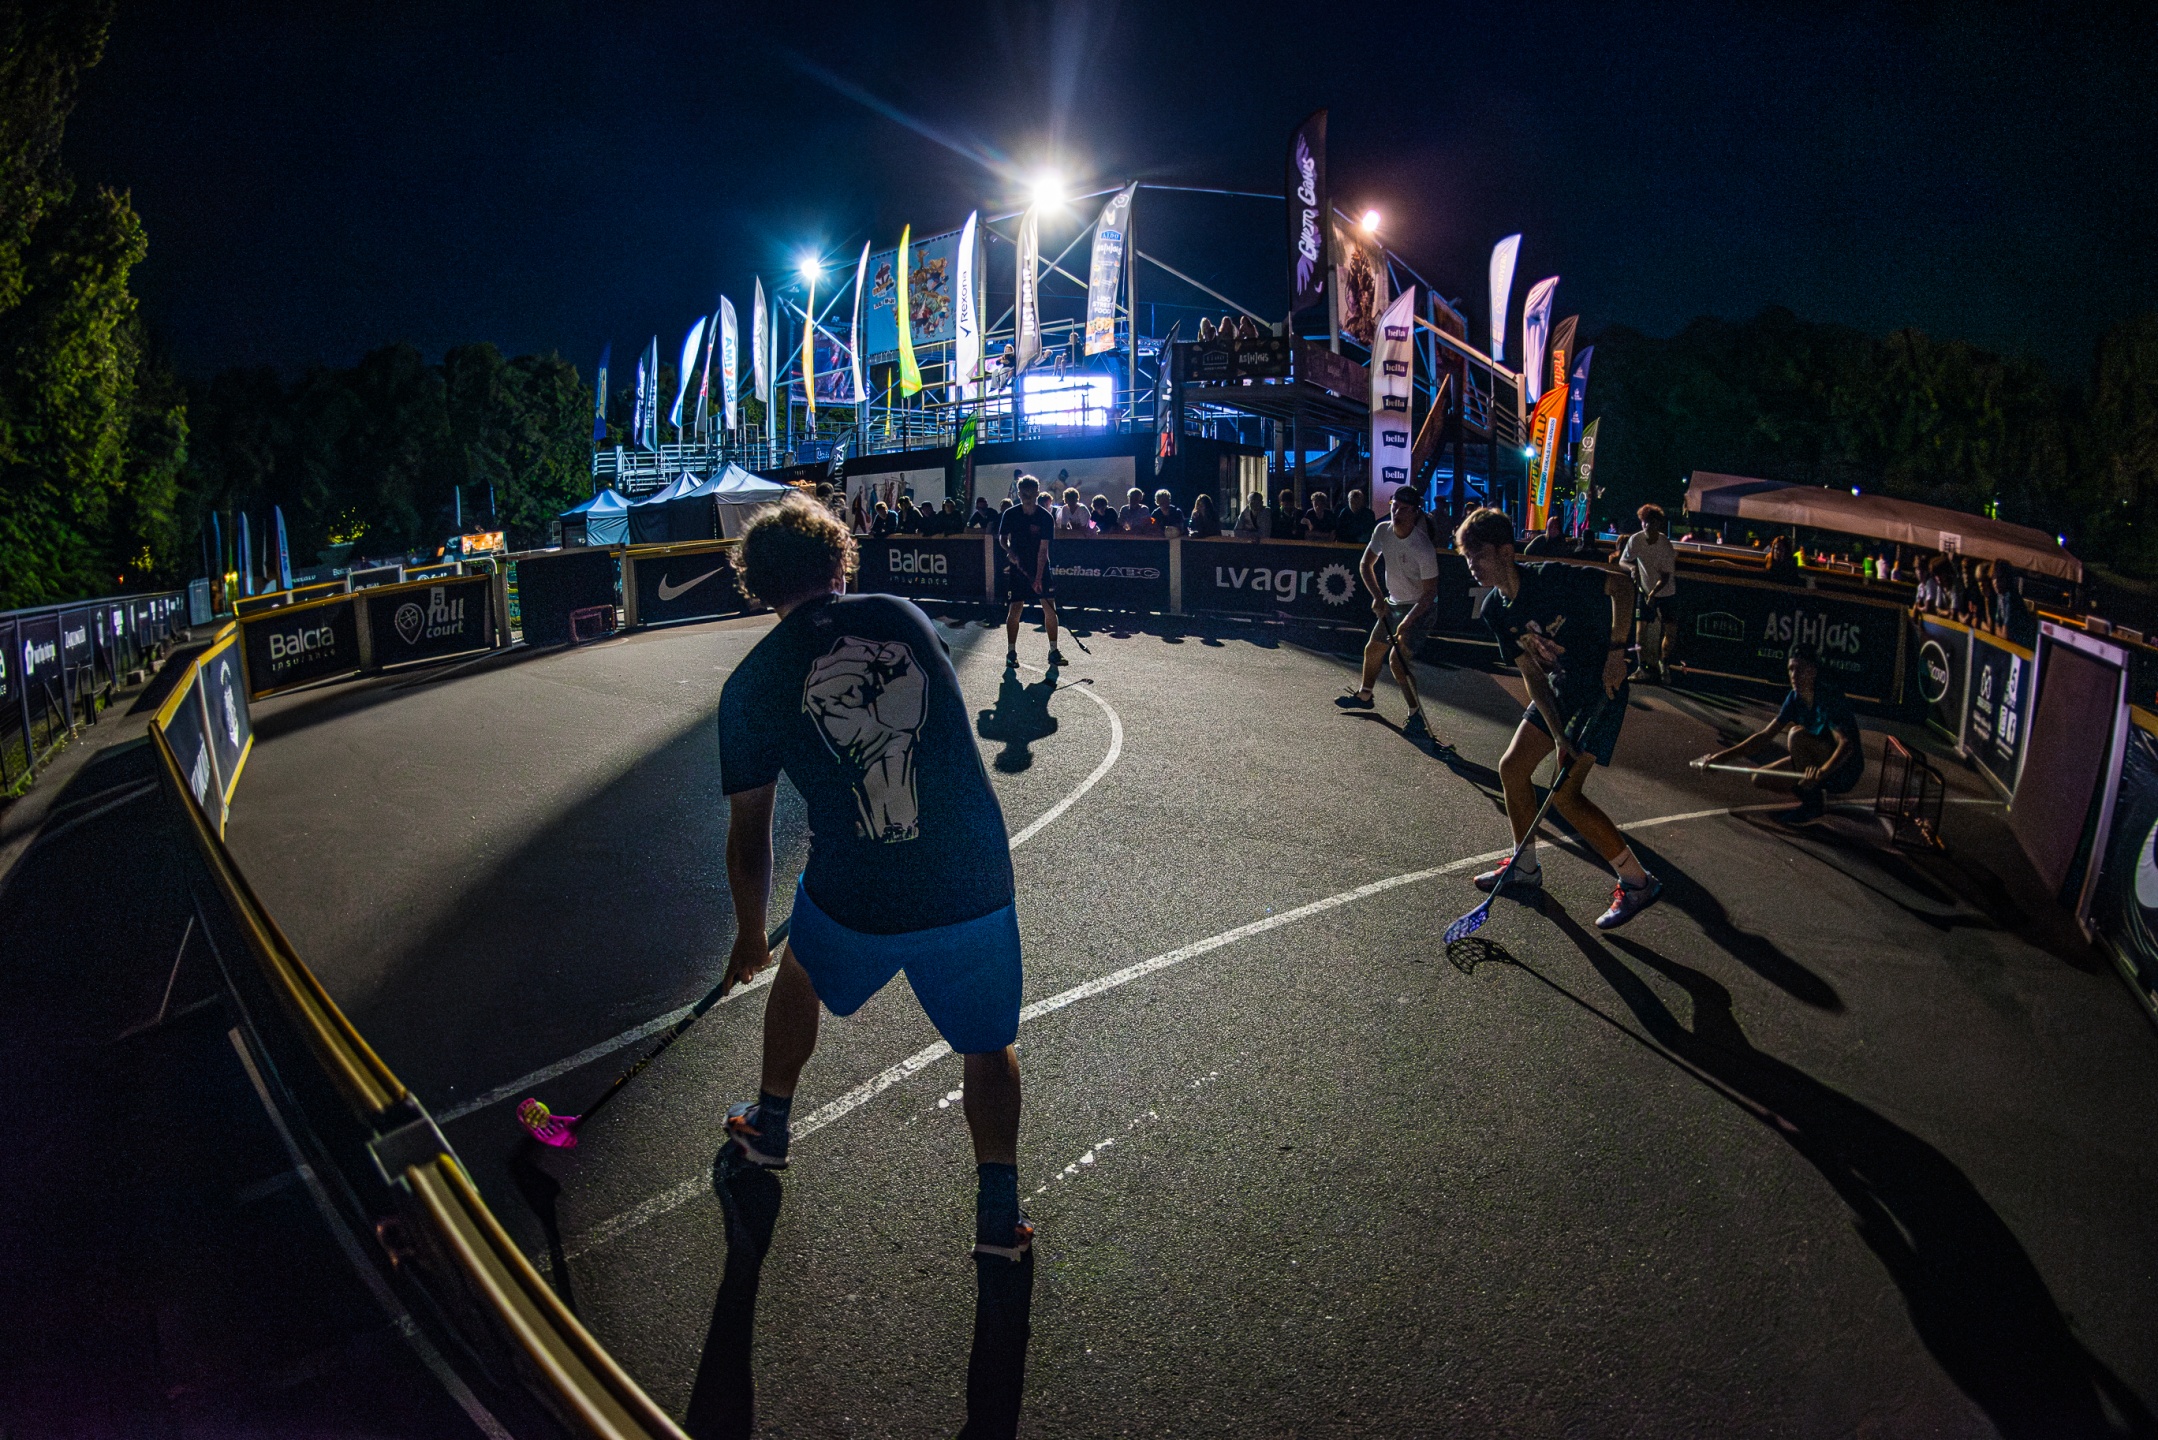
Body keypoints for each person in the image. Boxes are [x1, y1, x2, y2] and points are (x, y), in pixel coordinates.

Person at [716, 495, 1032, 1269]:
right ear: (837, 560)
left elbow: (750, 841)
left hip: (857, 891)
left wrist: (751, 935)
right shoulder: (900, 616)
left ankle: (771, 1124)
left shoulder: (750, 685)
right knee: (989, 1045)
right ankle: (998, 1215)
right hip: (972, 874)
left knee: (799, 970)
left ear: (758, 583)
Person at [1456, 506, 1660, 930]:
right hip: (1562, 688)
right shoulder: (1496, 609)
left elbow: (1623, 586)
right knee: (1513, 767)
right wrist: (1557, 735)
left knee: (1566, 796)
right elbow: (1533, 675)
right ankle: (1525, 866)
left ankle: (1637, 881)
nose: (1472, 564)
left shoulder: (1551, 578)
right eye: (1467, 556)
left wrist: (1616, 653)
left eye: (1479, 555)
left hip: (1601, 685)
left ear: (1506, 551)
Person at [1335, 488, 1454, 749]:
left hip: (1420, 609)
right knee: (1373, 649)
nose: (1396, 512)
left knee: (1396, 661)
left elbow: (1430, 592)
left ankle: (1415, 715)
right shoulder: (1382, 531)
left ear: (1415, 512)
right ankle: (1365, 695)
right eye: (1394, 505)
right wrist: (1378, 597)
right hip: (1393, 603)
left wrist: (1409, 620)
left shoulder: (1422, 546)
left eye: (1403, 508)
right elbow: (1365, 565)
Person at [1696, 648, 1864, 826]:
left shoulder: (1829, 698)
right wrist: (1721, 758)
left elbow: (1846, 745)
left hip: (1845, 770)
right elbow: (1764, 736)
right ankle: (1816, 796)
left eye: (1800, 669)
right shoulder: (1794, 699)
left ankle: (1812, 802)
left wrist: (1821, 773)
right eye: (1791, 669)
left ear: (1813, 671)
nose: (1794, 675)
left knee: (1796, 735)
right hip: (1816, 763)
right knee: (1760, 778)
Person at [997, 475, 1065, 667]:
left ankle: (1053, 650)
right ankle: (1011, 652)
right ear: (1019, 493)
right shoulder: (1010, 514)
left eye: (1030, 493)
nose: (1026, 496)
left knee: (1049, 609)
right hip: (1018, 568)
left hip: (1039, 567)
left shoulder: (1045, 517)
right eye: (1023, 493)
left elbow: (1043, 550)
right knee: (1015, 609)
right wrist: (1009, 551)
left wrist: (1038, 578)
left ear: (1037, 493)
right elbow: (1002, 539)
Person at [1619, 504, 1680, 682]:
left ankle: (1664, 664)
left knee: (1671, 631)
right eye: (1644, 522)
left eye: (1651, 522)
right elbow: (1623, 561)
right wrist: (1632, 568)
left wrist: (1653, 595)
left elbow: (1666, 577)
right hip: (1644, 590)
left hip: (1666, 592)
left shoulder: (1665, 545)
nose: (1647, 526)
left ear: (1658, 524)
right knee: (1640, 632)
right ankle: (1642, 667)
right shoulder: (1635, 540)